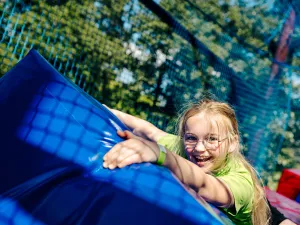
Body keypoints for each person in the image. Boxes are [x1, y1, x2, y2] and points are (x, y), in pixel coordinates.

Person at [102, 99, 271, 225]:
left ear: (232, 143)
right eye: (191, 138)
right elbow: (147, 130)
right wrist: (103, 109)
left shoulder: (240, 181)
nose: (199, 148)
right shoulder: (184, 147)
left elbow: (208, 186)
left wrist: (160, 154)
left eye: (212, 139)